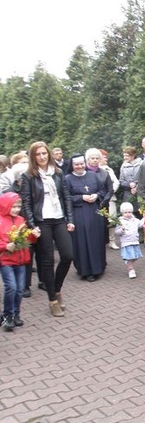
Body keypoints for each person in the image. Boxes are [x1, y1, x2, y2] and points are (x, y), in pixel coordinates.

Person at [20, 141, 75, 317]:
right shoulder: (28, 176)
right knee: (47, 261)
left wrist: (70, 219)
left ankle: (57, 289)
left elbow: (66, 197)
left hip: (59, 219)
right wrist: (32, 225)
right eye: (38, 154)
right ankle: (52, 300)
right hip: (41, 221)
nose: (42, 157)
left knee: (67, 256)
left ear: (49, 154)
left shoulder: (58, 174)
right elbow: (26, 203)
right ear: (33, 157)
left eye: (44, 153)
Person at [0, 192, 40, 331]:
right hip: (6, 260)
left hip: (21, 260)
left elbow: (27, 240)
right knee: (11, 287)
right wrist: (5, 246)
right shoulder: (0, 221)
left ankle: (16, 313)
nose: (16, 209)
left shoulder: (20, 220)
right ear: (5, 205)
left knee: (20, 289)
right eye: (13, 206)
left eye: (18, 206)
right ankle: (8, 315)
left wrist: (34, 236)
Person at [65, 154, 108, 282]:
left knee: (97, 240)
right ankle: (85, 270)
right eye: (76, 164)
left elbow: (103, 190)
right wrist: (81, 197)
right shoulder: (67, 179)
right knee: (82, 242)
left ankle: (99, 267)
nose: (80, 166)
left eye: (82, 163)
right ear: (72, 166)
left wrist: (96, 195)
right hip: (78, 213)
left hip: (95, 212)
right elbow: (66, 198)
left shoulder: (93, 175)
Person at [114, 202, 145, 279]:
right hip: (126, 242)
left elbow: (141, 225)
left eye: (129, 212)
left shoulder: (135, 220)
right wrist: (122, 230)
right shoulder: (120, 221)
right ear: (122, 213)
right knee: (130, 257)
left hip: (135, 241)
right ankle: (130, 270)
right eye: (125, 212)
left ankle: (128, 262)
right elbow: (117, 232)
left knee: (135, 257)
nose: (128, 214)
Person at [99, 149, 120, 250]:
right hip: (98, 200)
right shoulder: (93, 171)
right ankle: (100, 241)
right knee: (99, 221)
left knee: (112, 220)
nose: (106, 158)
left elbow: (116, 182)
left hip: (111, 199)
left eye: (106, 156)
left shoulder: (109, 170)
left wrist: (111, 191)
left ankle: (112, 241)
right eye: (104, 156)